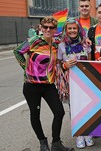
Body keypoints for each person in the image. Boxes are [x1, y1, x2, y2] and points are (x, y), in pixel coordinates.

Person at [13, 16, 73, 151]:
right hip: (31, 85)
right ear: (40, 27)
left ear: (54, 29)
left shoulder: (56, 43)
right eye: (45, 27)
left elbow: (70, 41)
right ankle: (43, 142)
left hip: (48, 85)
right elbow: (17, 51)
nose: (47, 29)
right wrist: (26, 67)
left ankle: (56, 143)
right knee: (35, 114)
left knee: (59, 112)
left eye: (51, 27)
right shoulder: (33, 41)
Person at [56, 18, 94, 149]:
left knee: (88, 106)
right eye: (69, 28)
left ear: (79, 30)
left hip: (85, 82)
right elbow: (58, 64)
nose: (72, 31)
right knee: (75, 108)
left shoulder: (86, 45)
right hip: (70, 82)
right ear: (66, 30)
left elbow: (90, 63)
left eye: (74, 28)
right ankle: (79, 134)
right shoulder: (61, 46)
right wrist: (65, 65)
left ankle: (88, 132)